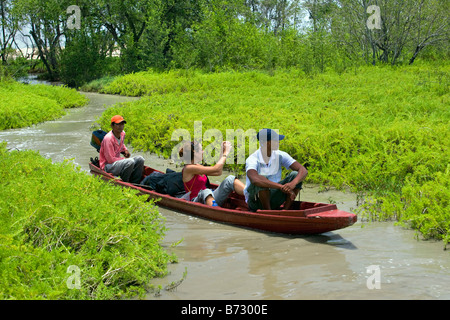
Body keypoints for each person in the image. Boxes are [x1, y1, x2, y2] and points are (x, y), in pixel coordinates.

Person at [244, 128, 308, 211]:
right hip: (256, 202)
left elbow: (303, 170)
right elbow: (255, 180)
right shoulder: (252, 159)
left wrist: (293, 183)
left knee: (295, 175)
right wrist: (281, 187)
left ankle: (285, 210)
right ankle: (268, 212)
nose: (279, 142)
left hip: (274, 196)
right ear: (268, 143)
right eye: (276, 140)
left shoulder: (280, 155)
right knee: (261, 178)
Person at [180, 140, 245, 206]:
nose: (203, 152)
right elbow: (216, 168)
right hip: (196, 200)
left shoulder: (197, 166)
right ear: (195, 153)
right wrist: (226, 153)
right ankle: (215, 210)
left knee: (230, 179)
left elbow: (218, 172)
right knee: (206, 191)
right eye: (201, 150)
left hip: (208, 197)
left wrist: (222, 152)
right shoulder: (188, 168)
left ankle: (251, 194)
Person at [99, 115, 144, 183]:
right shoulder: (108, 139)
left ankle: (135, 182)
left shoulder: (122, 133)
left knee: (140, 159)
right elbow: (110, 160)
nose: (121, 126)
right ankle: (124, 182)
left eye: (122, 124)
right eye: (118, 124)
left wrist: (125, 150)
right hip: (108, 166)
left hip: (116, 163)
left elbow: (121, 144)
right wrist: (124, 159)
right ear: (112, 125)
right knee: (130, 162)